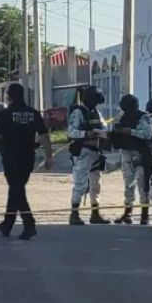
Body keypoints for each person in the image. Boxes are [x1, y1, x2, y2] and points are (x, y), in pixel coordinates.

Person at [0, 83, 53, 240]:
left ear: (9, 96)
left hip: (11, 157)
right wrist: (49, 156)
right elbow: (44, 135)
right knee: (16, 189)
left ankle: (29, 224)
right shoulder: (33, 113)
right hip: (27, 157)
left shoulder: (5, 114)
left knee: (17, 189)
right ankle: (7, 224)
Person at [67, 85, 111, 226]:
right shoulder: (78, 112)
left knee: (95, 184)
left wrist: (105, 133)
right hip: (82, 152)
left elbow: (104, 127)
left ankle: (95, 213)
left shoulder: (96, 112)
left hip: (95, 152)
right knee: (80, 184)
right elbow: (71, 132)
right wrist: (87, 134)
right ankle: (74, 214)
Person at [111, 95, 152, 225]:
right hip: (126, 153)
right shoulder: (122, 116)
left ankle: (144, 214)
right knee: (128, 183)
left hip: (140, 154)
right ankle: (128, 213)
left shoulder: (143, 117)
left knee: (142, 183)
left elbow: (147, 134)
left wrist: (130, 131)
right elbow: (115, 128)